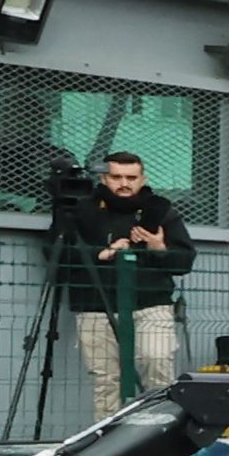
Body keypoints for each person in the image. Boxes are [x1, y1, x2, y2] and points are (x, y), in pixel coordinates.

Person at [58, 142, 195, 417]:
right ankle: (108, 443)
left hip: (151, 303)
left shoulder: (160, 211)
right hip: (95, 305)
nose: (124, 184)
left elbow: (185, 260)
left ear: (142, 179)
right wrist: (103, 254)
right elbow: (56, 254)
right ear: (103, 178)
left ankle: (157, 433)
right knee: (106, 380)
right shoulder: (81, 210)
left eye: (131, 178)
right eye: (117, 177)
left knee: (157, 365)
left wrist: (159, 248)